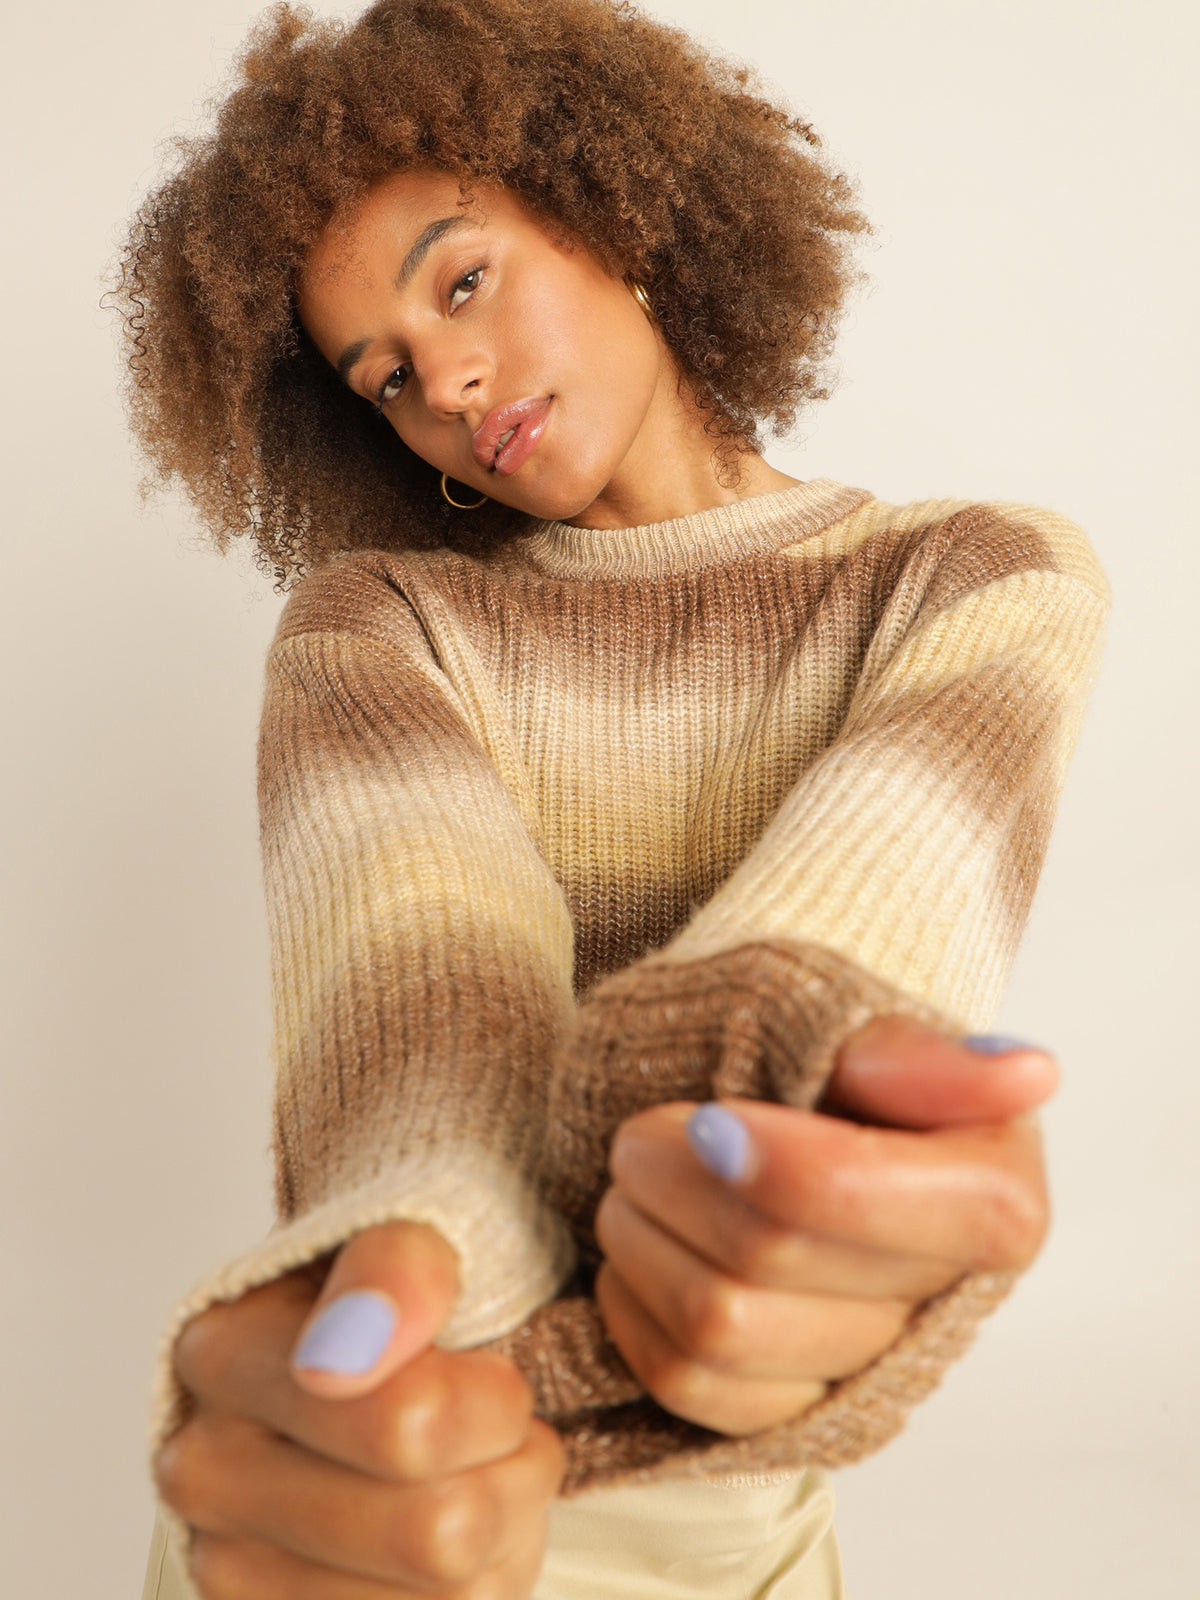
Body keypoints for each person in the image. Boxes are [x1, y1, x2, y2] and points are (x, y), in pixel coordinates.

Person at [117, 1, 1108, 1595]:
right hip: (386, 1475)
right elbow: (421, 998)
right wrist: (431, 1249)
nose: (446, 377)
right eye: (386, 376)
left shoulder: (976, 575)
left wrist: (783, 1095)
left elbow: (844, 954)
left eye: (462, 281)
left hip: (725, 1514)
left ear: (612, 211)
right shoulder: (383, 625)